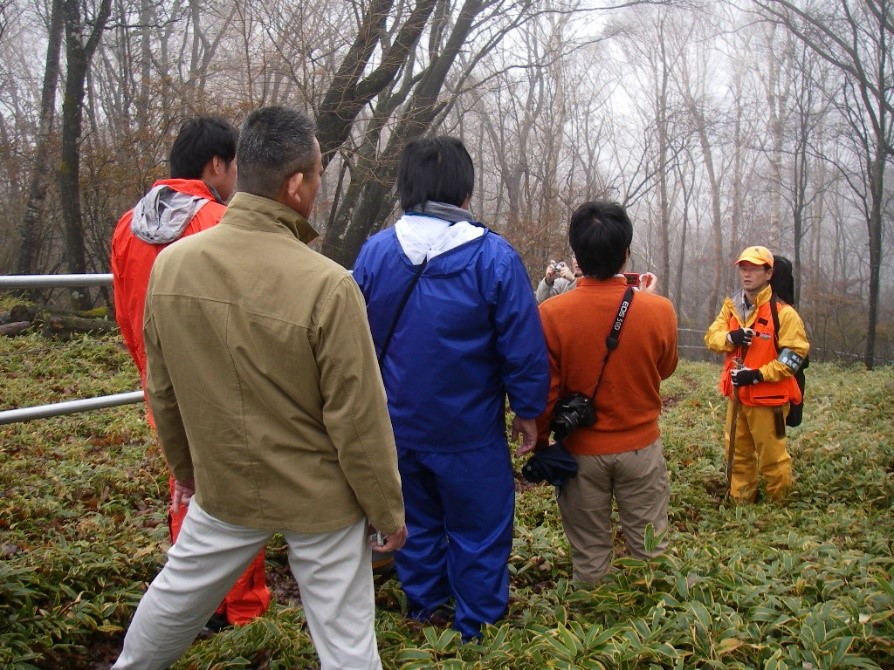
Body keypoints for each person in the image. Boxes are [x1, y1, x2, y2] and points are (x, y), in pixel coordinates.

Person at [112, 106, 407, 670]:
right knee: (346, 639)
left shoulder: (173, 267)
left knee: (176, 597)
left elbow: (164, 389)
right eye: (318, 174)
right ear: (296, 185)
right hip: (320, 495)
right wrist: (387, 510)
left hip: (225, 478)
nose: (317, 186)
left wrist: (189, 473)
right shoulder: (329, 285)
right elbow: (358, 418)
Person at [352, 136, 549, 640]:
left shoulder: (375, 253)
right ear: (465, 191)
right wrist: (528, 410)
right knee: (479, 529)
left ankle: (426, 609)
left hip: (397, 428)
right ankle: (477, 624)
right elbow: (522, 347)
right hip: (469, 433)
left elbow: (356, 340)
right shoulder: (495, 258)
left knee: (413, 521)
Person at [110, 116, 270, 630]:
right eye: (234, 166)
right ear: (216, 164)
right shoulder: (218, 222)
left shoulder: (127, 226)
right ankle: (243, 612)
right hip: (222, 389)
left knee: (187, 488)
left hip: (162, 386)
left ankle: (193, 606)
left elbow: (124, 311)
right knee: (240, 498)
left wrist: (148, 371)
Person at [529, 200, 678, 585]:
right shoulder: (660, 310)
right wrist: (649, 300)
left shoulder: (551, 314)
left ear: (576, 255)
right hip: (641, 448)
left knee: (591, 556)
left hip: (580, 453)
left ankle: (594, 624)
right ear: (626, 252)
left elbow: (547, 390)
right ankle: (658, 626)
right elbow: (665, 369)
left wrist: (542, 440)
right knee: (651, 552)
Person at [704, 245, 809, 503]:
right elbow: (711, 338)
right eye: (743, 268)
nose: (747, 274)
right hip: (737, 397)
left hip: (769, 401)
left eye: (754, 268)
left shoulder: (784, 313)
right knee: (737, 453)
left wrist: (757, 375)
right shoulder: (731, 307)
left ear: (769, 273)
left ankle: (778, 508)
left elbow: (795, 356)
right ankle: (742, 504)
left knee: (773, 458)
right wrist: (731, 337)